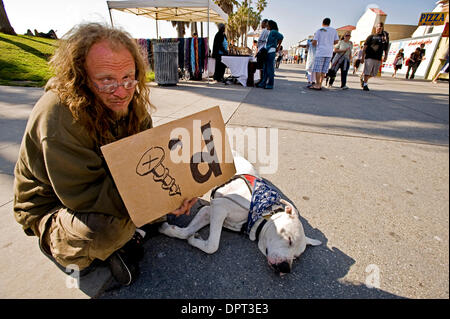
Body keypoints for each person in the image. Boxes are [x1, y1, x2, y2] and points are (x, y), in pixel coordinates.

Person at [13, 23, 198, 286]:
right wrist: (152, 203)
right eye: (106, 81)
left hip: (110, 184)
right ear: (81, 77)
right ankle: (57, 241)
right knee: (109, 230)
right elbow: (84, 194)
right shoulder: (58, 114)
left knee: (166, 200)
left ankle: (129, 236)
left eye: (128, 78)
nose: (122, 91)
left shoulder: (129, 99)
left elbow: (147, 154)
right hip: (54, 204)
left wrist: (176, 191)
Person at [309, 18, 339, 90]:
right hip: (329, 52)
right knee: (324, 69)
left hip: (320, 52)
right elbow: (336, 41)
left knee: (318, 69)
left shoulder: (319, 30)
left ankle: (317, 84)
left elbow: (314, 42)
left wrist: (315, 44)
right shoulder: (334, 30)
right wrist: (330, 43)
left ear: (322, 23)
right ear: (329, 23)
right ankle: (320, 84)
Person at [360, 22, 389, 91]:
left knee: (374, 73)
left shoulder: (384, 38)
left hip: (378, 58)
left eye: (380, 27)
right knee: (367, 71)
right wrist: (363, 57)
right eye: (378, 27)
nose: (379, 28)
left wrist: (385, 56)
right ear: (376, 28)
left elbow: (386, 48)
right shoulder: (371, 36)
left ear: (382, 28)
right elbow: (365, 47)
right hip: (369, 57)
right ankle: (365, 85)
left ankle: (363, 78)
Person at [257, 20, 284, 89]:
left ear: (270, 25)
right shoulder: (270, 32)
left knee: (269, 69)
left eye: (267, 25)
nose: (266, 26)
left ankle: (270, 84)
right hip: (268, 51)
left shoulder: (273, 32)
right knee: (265, 68)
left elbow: (281, 37)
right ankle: (263, 83)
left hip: (271, 51)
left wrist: (278, 46)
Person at [256, 19, 270, 84]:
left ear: (264, 23)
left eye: (262, 23)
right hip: (264, 49)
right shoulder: (268, 31)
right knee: (263, 66)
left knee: (261, 66)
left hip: (262, 49)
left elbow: (260, 40)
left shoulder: (265, 30)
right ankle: (262, 80)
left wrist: (257, 46)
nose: (261, 25)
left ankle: (261, 80)